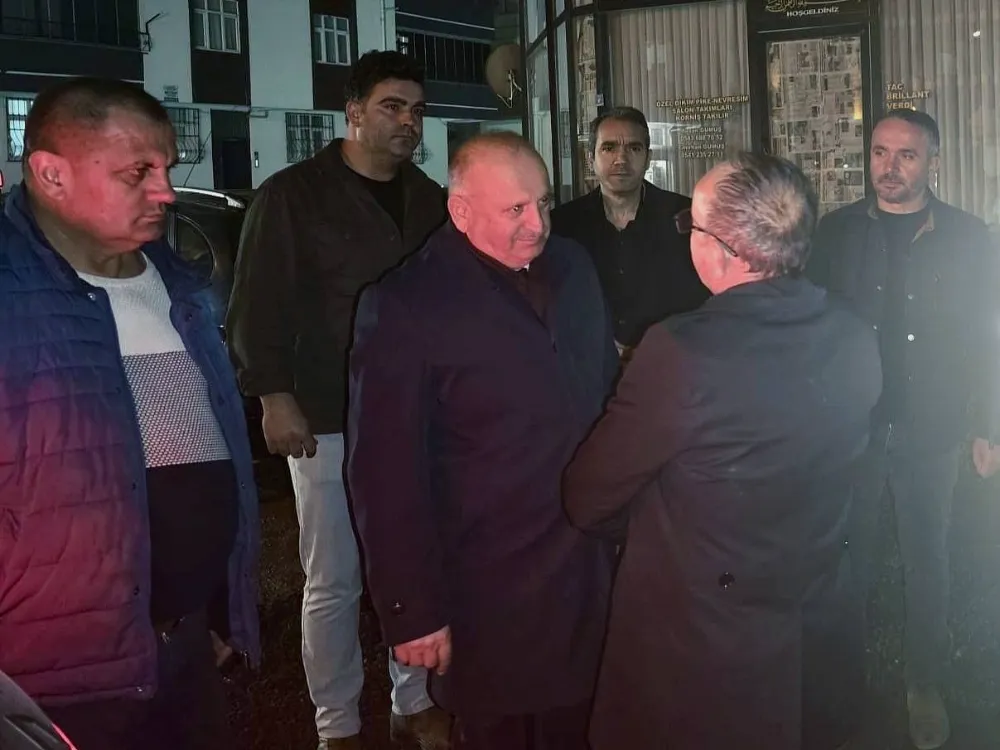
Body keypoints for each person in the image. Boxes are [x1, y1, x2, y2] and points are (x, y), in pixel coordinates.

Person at [563, 153, 883, 750]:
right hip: (814, 630)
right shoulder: (854, 332)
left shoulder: (681, 351)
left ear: (721, 249)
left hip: (703, 647)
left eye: (691, 224)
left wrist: (658, 521)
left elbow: (588, 497)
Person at [0, 76, 260, 749]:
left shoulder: (177, 283)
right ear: (51, 174)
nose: (165, 192)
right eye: (137, 172)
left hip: (183, 648)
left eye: (166, 168)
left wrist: (217, 606)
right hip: (53, 678)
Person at [346, 132, 618, 750]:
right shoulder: (406, 303)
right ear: (461, 210)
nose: (537, 225)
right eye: (515, 209)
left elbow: (602, 392)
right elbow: (384, 475)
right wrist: (411, 610)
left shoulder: (573, 267)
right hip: (487, 586)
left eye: (543, 203)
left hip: (584, 571)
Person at [226, 51, 448, 749]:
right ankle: (338, 724)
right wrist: (273, 395)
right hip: (327, 412)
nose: (408, 121)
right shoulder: (293, 196)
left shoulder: (431, 199)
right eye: (392, 106)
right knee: (334, 577)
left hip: (416, 414)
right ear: (353, 113)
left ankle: (414, 700)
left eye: (416, 110)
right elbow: (255, 305)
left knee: (414, 562)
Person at [806, 109, 1000, 750]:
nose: (889, 167)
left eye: (906, 155)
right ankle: (842, 683)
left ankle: (924, 683)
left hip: (932, 424)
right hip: (852, 425)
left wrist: (987, 422)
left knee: (928, 558)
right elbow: (811, 324)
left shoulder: (967, 237)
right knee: (848, 559)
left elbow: (988, 335)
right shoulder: (836, 233)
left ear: (932, 162)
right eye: (880, 152)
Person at [550, 106, 708, 355]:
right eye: (609, 148)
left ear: (648, 157)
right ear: (590, 159)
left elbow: (706, 299)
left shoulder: (688, 219)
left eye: (634, 148)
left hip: (672, 362)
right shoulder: (561, 225)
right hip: (589, 365)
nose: (621, 159)